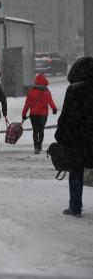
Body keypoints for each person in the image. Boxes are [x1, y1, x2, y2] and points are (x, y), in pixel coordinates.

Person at [55, 56, 93, 217]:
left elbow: (67, 116)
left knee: (76, 171)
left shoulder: (74, 90)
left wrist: (61, 135)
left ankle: (75, 207)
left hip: (77, 138)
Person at [22, 74, 58, 154]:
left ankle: (36, 147)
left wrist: (24, 114)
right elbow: (50, 101)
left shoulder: (31, 91)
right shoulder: (46, 92)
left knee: (35, 130)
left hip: (33, 115)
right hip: (43, 115)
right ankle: (39, 144)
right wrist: (54, 108)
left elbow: (27, 104)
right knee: (41, 130)